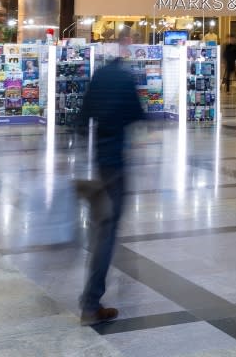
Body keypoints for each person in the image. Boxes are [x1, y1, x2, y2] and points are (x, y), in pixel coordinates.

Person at [76, 27, 146, 327]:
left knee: (101, 228)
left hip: (99, 164)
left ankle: (92, 299)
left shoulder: (99, 77)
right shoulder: (125, 79)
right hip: (116, 164)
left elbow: (80, 121)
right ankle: (91, 303)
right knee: (107, 232)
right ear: (127, 47)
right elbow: (137, 116)